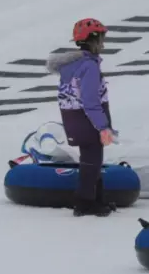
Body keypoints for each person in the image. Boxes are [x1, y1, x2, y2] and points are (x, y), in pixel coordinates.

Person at [46, 18, 118, 217]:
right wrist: (103, 126)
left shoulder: (74, 65)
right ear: (93, 39)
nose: (103, 43)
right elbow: (90, 100)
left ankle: (96, 199)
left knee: (91, 157)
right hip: (87, 118)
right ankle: (85, 202)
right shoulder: (89, 66)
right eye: (102, 38)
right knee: (92, 159)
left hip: (74, 116)